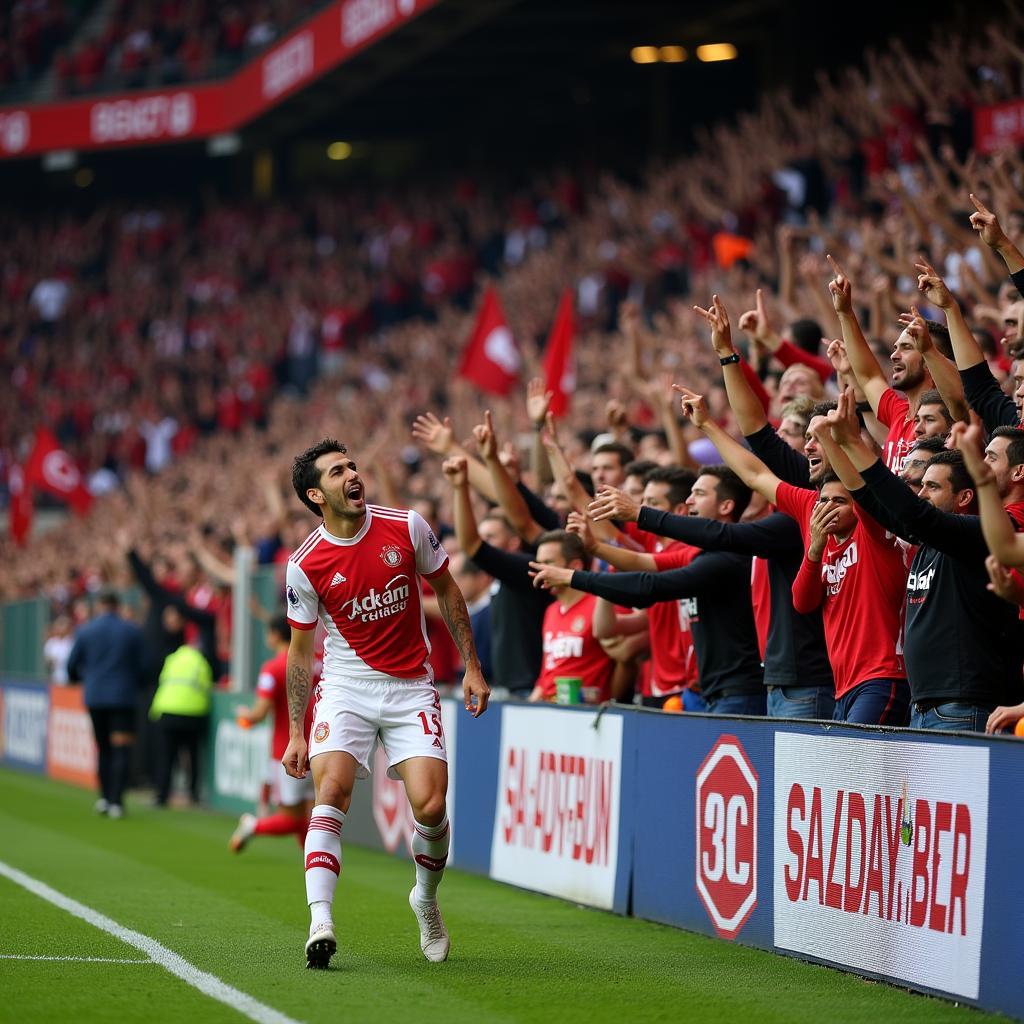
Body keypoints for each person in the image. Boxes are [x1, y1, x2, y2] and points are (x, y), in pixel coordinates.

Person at [283, 439, 489, 970]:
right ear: (316, 494)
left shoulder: (406, 526)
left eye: (352, 466)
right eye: (337, 471)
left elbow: (447, 590)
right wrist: (297, 733)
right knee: (330, 789)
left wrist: (471, 665)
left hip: (410, 687)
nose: (352, 474)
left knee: (430, 807)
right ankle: (320, 920)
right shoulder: (306, 565)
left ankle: (424, 896)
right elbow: (301, 652)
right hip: (347, 688)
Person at [531, 464, 766, 716]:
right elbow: (643, 562)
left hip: (735, 695)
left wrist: (573, 577)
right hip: (705, 693)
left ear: (725, 506)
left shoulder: (725, 558)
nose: (689, 501)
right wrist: (596, 548)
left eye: (699, 494)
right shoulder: (697, 553)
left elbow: (650, 585)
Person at [230, 614, 315, 852]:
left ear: (275, 635)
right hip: (323, 746)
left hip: (288, 751)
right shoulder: (318, 661)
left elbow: (258, 714)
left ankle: (253, 826)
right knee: (315, 813)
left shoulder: (274, 668)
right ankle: (310, 859)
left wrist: (243, 716)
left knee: (292, 817)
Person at [66, 590, 145, 819]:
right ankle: (117, 802)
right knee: (121, 748)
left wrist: (87, 679)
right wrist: (134, 684)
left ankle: (104, 797)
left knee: (103, 748)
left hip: (96, 697)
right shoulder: (131, 630)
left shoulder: (86, 630)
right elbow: (146, 665)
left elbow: (72, 665)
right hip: (123, 697)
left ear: (99, 606)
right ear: (117, 605)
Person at [149, 607, 214, 807]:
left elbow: (163, 683)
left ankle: (162, 795)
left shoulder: (172, 659)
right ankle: (193, 794)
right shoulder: (201, 662)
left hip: (168, 711)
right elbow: (206, 686)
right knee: (192, 755)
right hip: (193, 714)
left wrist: (155, 713)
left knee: (166, 756)